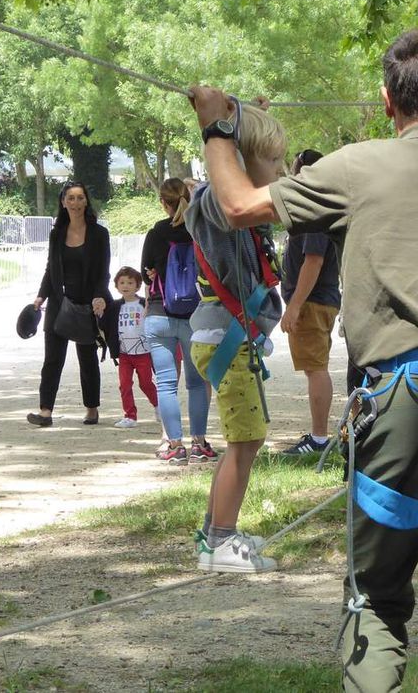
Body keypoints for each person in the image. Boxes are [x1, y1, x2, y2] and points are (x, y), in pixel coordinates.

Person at [188, 28, 418, 692]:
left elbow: (239, 205)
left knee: (378, 600)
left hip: (399, 414)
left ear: (388, 100)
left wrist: (219, 126)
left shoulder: (355, 167)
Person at [185, 104, 286, 573]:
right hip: (227, 337)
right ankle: (223, 542)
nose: (283, 173)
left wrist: (249, 124)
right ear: (243, 164)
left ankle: (214, 535)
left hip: (231, 336)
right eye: (275, 162)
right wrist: (223, 135)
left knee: (244, 441)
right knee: (245, 442)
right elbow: (223, 199)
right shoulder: (217, 205)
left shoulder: (242, 210)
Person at [141, 178, 215, 463]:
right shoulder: (201, 229)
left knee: (166, 384)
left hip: (160, 314)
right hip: (195, 317)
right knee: (197, 384)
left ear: (163, 202)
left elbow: (145, 270)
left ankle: (174, 445)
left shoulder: (156, 233)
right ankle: (199, 443)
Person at [28, 181, 111, 426]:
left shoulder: (99, 234)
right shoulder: (56, 233)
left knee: (87, 358)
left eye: (80, 198)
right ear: (63, 202)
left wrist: (99, 296)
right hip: (58, 302)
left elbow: (103, 272)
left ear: (86, 201)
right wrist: (41, 296)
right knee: (52, 359)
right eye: (70, 198)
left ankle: (92, 409)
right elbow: (49, 269)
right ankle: (45, 411)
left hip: (87, 303)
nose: (75, 203)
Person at [278, 149, 342, 456]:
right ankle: (320, 435)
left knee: (316, 369)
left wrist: (294, 305)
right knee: (314, 368)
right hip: (317, 301)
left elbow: (313, 262)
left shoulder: (315, 211)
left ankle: (319, 438)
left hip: (312, 302)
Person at [101, 266, 158, 428]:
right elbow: (105, 325)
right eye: (122, 282)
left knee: (146, 383)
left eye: (130, 282)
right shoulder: (114, 306)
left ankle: (159, 406)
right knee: (125, 384)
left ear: (138, 285)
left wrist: (148, 301)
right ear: (117, 285)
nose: (126, 286)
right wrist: (99, 312)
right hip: (124, 353)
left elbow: (151, 318)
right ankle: (130, 416)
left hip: (143, 352)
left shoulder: (143, 303)